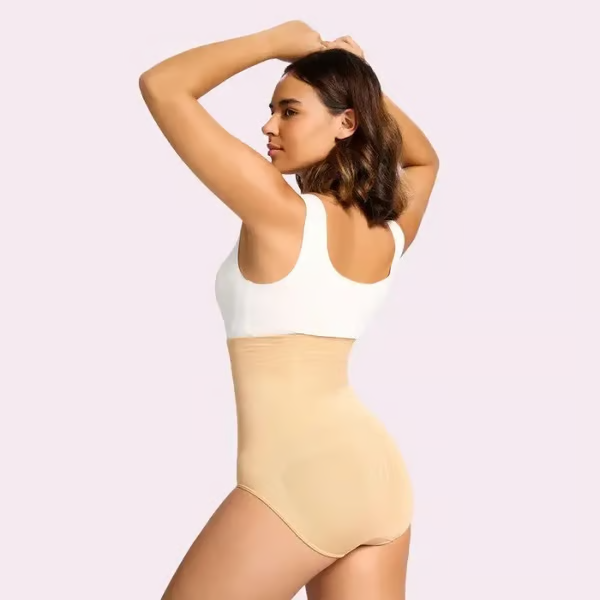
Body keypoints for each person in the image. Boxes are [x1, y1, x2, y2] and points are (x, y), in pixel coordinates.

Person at [139, 19, 439, 600]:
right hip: (376, 479)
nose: (268, 125)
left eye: (289, 111)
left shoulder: (279, 212)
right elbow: (424, 162)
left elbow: (163, 85)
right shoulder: (388, 235)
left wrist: (277, 42)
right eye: (272, 110)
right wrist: (358, 79)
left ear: (346, 124)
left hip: (298, 483)